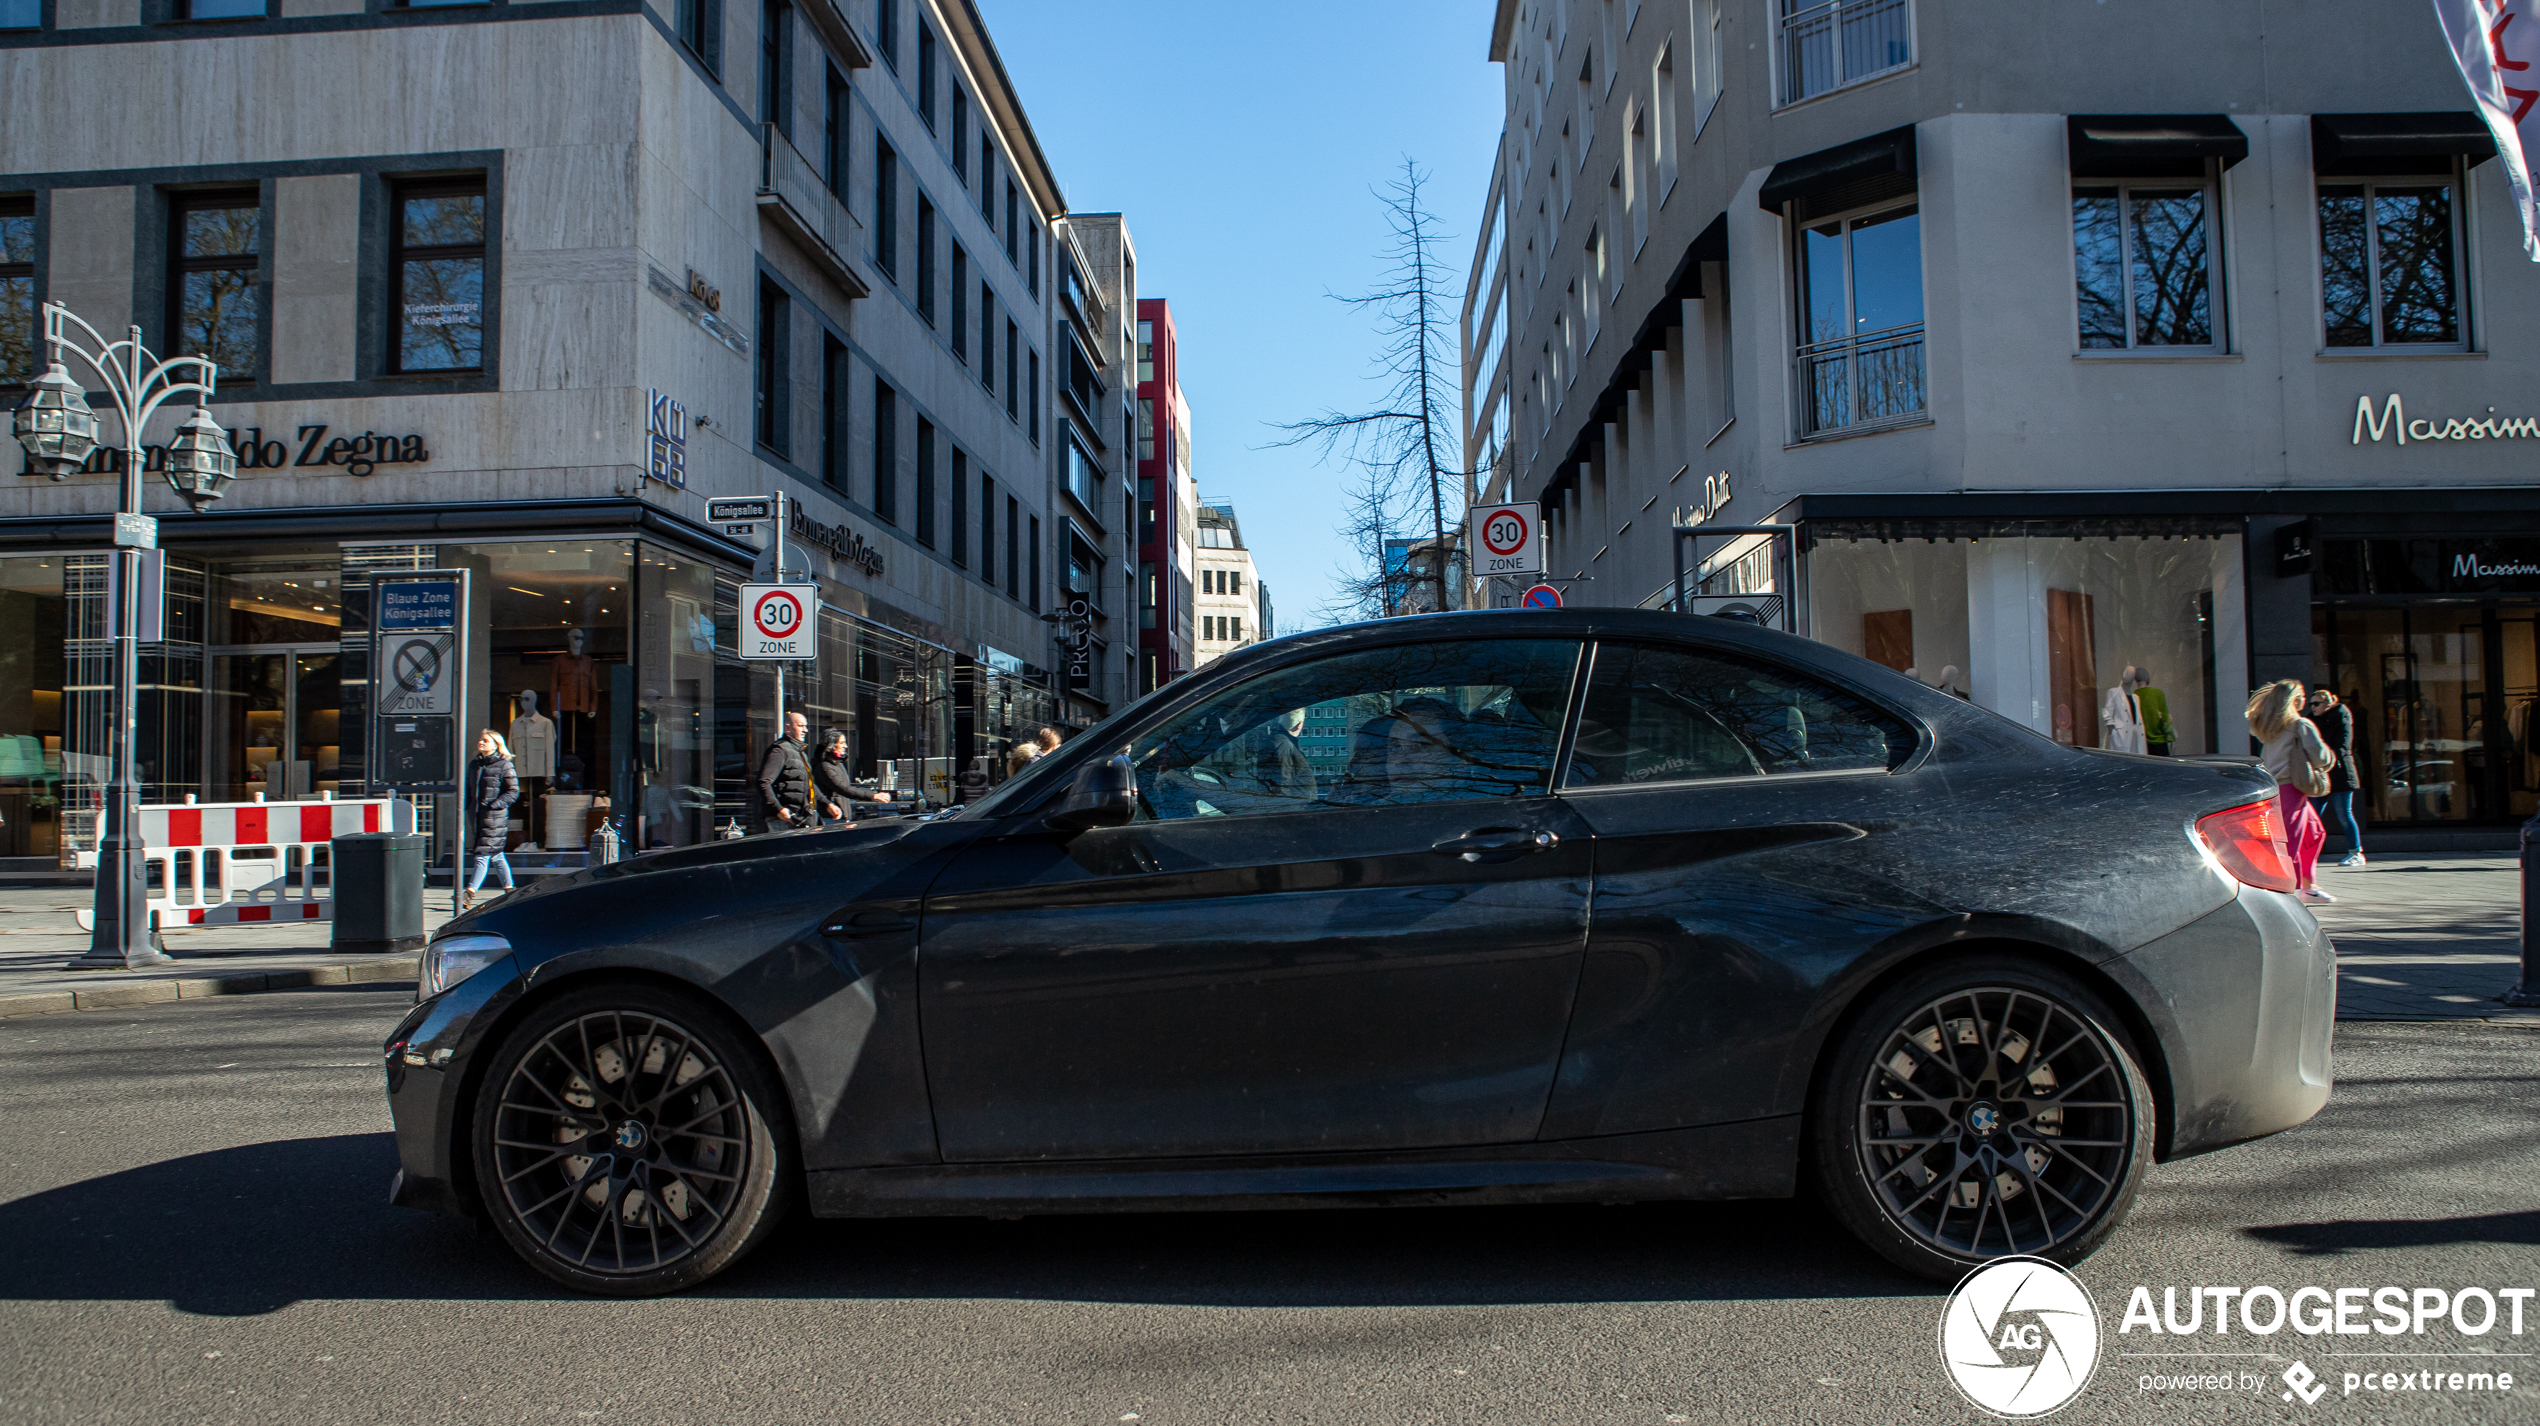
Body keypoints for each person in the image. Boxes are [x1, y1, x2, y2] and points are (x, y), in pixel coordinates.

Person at [2248, 680, 2334, 903]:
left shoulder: (2272, 726)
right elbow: (2320, 756)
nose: (2305, 700)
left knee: (2313, 833)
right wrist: (2331, 759)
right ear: (2294, 700)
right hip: (2291, 789)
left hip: (2275, 788)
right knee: (2291, 842)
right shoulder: (2300, 725)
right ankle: (2292, 892)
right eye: (2303, 695)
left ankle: (2307, 887)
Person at [462, 729, 520, 910]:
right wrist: (467, 806)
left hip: (495, 818)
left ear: (496, 744)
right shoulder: (475, 765)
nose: (481, 742)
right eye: (480, 739)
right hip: (478, 817)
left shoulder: (504, 765)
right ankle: (510, 889)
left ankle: (469, 892)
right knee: (496, 855)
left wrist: (495, 805)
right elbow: (468, 789)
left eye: (485, 740)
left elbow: (513, 791)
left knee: (482, 854)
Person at [2307, 687, 2363, 867]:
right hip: (2322, 774)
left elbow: (2343, 745)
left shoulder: (2341, 717)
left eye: (2317, 703)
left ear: (2328, 704)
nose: (2313, 707)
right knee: (2312, 815)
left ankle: (2356, 853)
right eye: (2311, 703)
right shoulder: (2311, 721)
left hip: (2340, 773)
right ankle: (2306, 852)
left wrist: (2331, 760)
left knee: (2344, 814)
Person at [757, 710, 816, 831]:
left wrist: (827, 804)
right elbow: (763, 782)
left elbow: (809, 785)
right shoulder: (779, 751)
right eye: (800, 726)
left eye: (806, 726)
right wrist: (778, 809)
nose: (805, 730)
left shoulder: (799, 753)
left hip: (798, 818)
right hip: (783, 820)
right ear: (788, 728)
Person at [814, 729, 887, 824]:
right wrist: (873, 795)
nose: (846, 746)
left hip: (841, 817)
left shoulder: (837, 764)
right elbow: (843, 789)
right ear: (831, 746)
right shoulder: (824, 766)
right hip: (831, 818)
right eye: (842, 743)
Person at [1256, 707, 1316, 801]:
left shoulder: (1283, 742)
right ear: (1299, 725)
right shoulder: (1283, 744)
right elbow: (1282, 784)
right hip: (1296, 808)